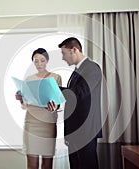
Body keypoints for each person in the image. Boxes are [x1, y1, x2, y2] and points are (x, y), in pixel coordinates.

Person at [48, 37, 103, 169]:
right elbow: (72, 99)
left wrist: (53, 89)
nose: (62, 57)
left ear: (74, 50)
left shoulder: (92, 68)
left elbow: (78, 93)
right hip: (74, 132)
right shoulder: (76, 72)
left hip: (86, 131)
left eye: (63, 53)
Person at [15, 48, 62, 169]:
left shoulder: (56, 77)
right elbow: (25, 104)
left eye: (42, 60)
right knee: (32, 164)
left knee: (47, 164)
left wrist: (53, 107)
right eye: (36, 61)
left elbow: (58, 102)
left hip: (48, 124)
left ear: (47, 60)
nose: (39, 64)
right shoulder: (29, 79)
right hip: (31, 123)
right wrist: (20, 98)